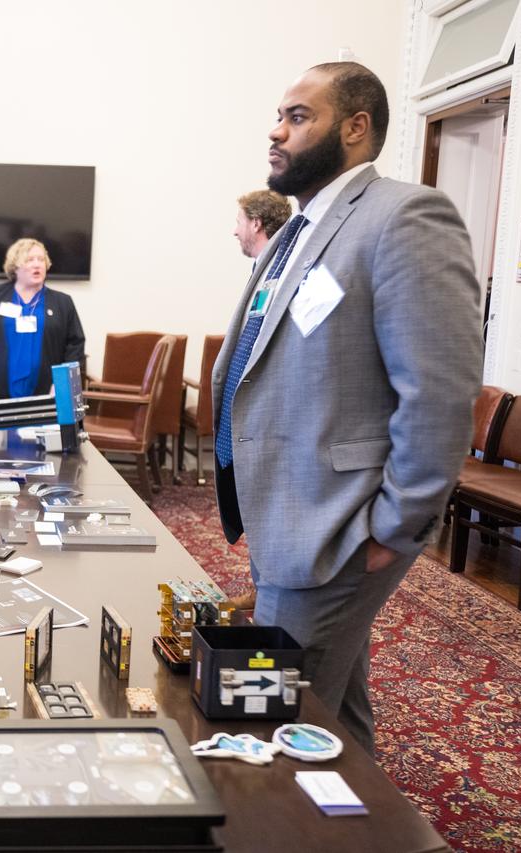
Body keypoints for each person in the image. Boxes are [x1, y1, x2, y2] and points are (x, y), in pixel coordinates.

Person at [210, 62, 482, 754]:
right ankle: (370, 807)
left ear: (357, 128)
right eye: (279, 115)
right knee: (334, 706)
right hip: (286, 512)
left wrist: (396, 525)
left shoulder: (405, 217)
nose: (277, 131)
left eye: (299, 117)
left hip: (337, 525)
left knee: (276, 722)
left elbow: (439, 392)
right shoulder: (295, 232)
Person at [224, 189, 291, 615]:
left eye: (238, 221)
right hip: (247, 417)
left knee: (266, 508)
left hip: (269, 418)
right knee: (252, 504)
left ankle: (271, 594)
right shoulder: (263, 270)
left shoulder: (285, 271)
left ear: (256, 223)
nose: (234, 230)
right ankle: (262, 587)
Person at [0, 238, 86, 399]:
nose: (37, 265)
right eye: (30, 260)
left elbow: (75, 346)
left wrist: (62, 384)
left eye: (41, 259)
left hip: (45, 393)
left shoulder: (62, 302)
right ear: (15, 266)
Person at [233, 189, 292, 261]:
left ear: (256, 224)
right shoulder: (282, 260)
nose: (235, 232)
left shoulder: (278, 264)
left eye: (239, 223)